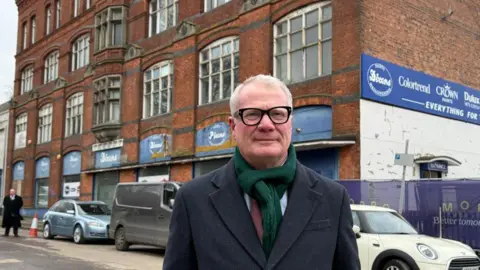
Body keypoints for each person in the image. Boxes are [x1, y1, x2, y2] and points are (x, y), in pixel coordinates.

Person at [163, 74, 360, 270]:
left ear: (290, 122)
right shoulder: (192, 200)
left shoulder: (333, 198)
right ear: (233, 126)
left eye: (278, 114)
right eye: (252, 114)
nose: (266, 125)